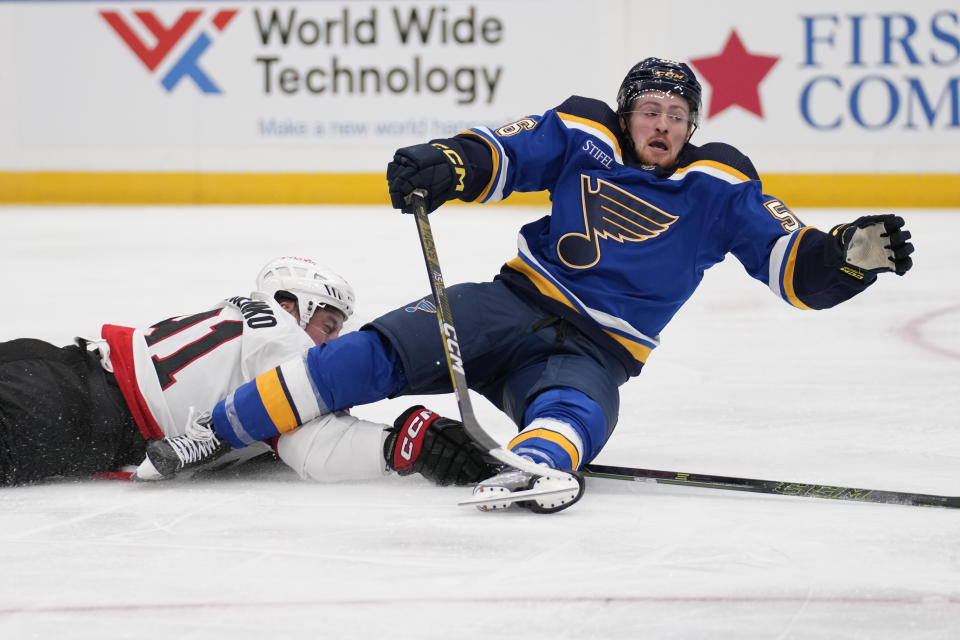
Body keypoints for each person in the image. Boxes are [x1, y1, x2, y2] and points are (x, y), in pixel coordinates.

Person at [144, 58, 914, 513]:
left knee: (578, 407)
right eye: (650, 109)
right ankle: (218, 428)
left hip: (597, 349)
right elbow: (510, 153)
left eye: (678, 115)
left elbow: (793, 265)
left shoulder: (723, 182)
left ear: (692, 126)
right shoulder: (587, 133)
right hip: (507, 302)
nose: (663, 124)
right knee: (372, 352)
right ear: (627, 113)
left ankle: (536, 469)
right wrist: (447, 163)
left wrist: (843, 257)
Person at [1, 256, 495, 486]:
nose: (333, 341)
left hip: (62, 361)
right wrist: (401, 445)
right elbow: (315, 448)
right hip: (80, 412)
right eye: (328, 323)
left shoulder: (245, 311)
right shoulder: (285, 346)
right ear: (290, 304)